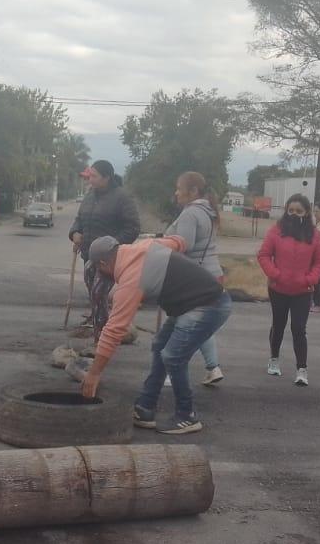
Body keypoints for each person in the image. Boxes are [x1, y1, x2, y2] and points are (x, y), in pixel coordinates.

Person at [80, 235, 231, 435]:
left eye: (98, 269)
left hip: (209, 305)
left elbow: (114, 330)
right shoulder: (146, 245)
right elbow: (179, 241)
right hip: (193, 304)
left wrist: (94, 373)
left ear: (103, 263)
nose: (99, 273)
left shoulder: (131, 280)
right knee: (160, 345)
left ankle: (187, 416)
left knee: (173, 356)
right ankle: (145, 408)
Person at [257, 194, 320, 387]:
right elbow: (264, 255)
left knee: (298, 329)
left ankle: (301, 369)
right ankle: (274, 358)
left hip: (303, 291)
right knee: (278, 325)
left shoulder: (314, 235)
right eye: (291, 211)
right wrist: (274, 274)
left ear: (306, 213)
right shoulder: (276, 231)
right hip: (278, 288)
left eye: (299, 211)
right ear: (286, 211)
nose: (294, 214)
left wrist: (310, 279)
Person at [68, 160, 140, 335]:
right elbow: (80, 218)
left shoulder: (122, 198)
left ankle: (101, 338)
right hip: (89, 255)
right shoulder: (90, 195)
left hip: (110, 259)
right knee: (93, 293)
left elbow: (133, 228)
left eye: (94, 176)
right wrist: (75, 232)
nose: (90, 179)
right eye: (89, 176)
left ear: (106, 177)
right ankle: (101, 323)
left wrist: (111, 247)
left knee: (99, 293)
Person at [166, 172, 225, 386]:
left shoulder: (191, 213)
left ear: (192, 192)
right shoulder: (207, 211)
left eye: (179, 188)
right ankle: (213, 367)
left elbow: (184, 246)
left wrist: (161, 247)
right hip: (211, 275)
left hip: (194, 280)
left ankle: (171, 371)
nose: (176, 192)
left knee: (183, 326)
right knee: (198, 325)